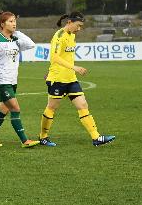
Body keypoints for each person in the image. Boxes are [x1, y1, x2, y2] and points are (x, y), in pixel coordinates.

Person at [39, 12, 115, 147]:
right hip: (57, 79)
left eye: (81, 26)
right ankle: (43, 137)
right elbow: (54, 57)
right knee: (52, 107)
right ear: (69, 22)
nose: (79, 29)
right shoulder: (59, 36)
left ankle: (96, 137)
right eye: (78, 25)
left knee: (83, 105)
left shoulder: (72, 35)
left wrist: (72, 70)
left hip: (71, 79)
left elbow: (66, 56)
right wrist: (74, 67)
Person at [0, 12, 39, 148]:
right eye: (11, 21)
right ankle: (25, 141)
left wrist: (18, 33)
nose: (14, 24)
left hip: (12, 82)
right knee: (15, 108)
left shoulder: (15, 40)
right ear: (2, 24)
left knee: (3, 110)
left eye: (14, 21)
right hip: (1, 82)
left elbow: (31, 44)